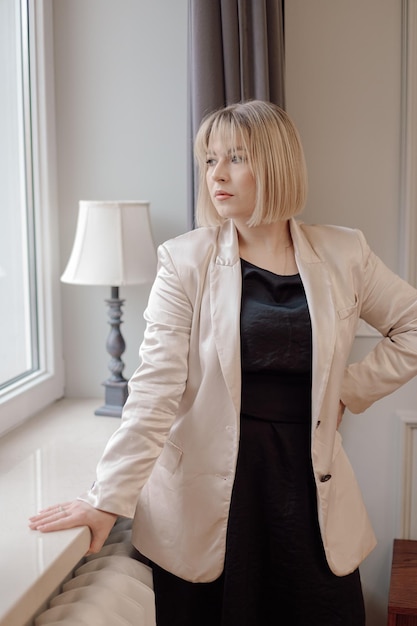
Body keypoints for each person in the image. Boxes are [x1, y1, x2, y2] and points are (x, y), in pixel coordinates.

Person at [29, 100, 417, 625]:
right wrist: (106, 499)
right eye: (210, 161)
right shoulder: (184, 260)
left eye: (235, 157)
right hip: (211, 497)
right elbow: (154, 391)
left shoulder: (345, 253)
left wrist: (348, 389)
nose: (217, 174)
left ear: (277, 164)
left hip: (308, 490)